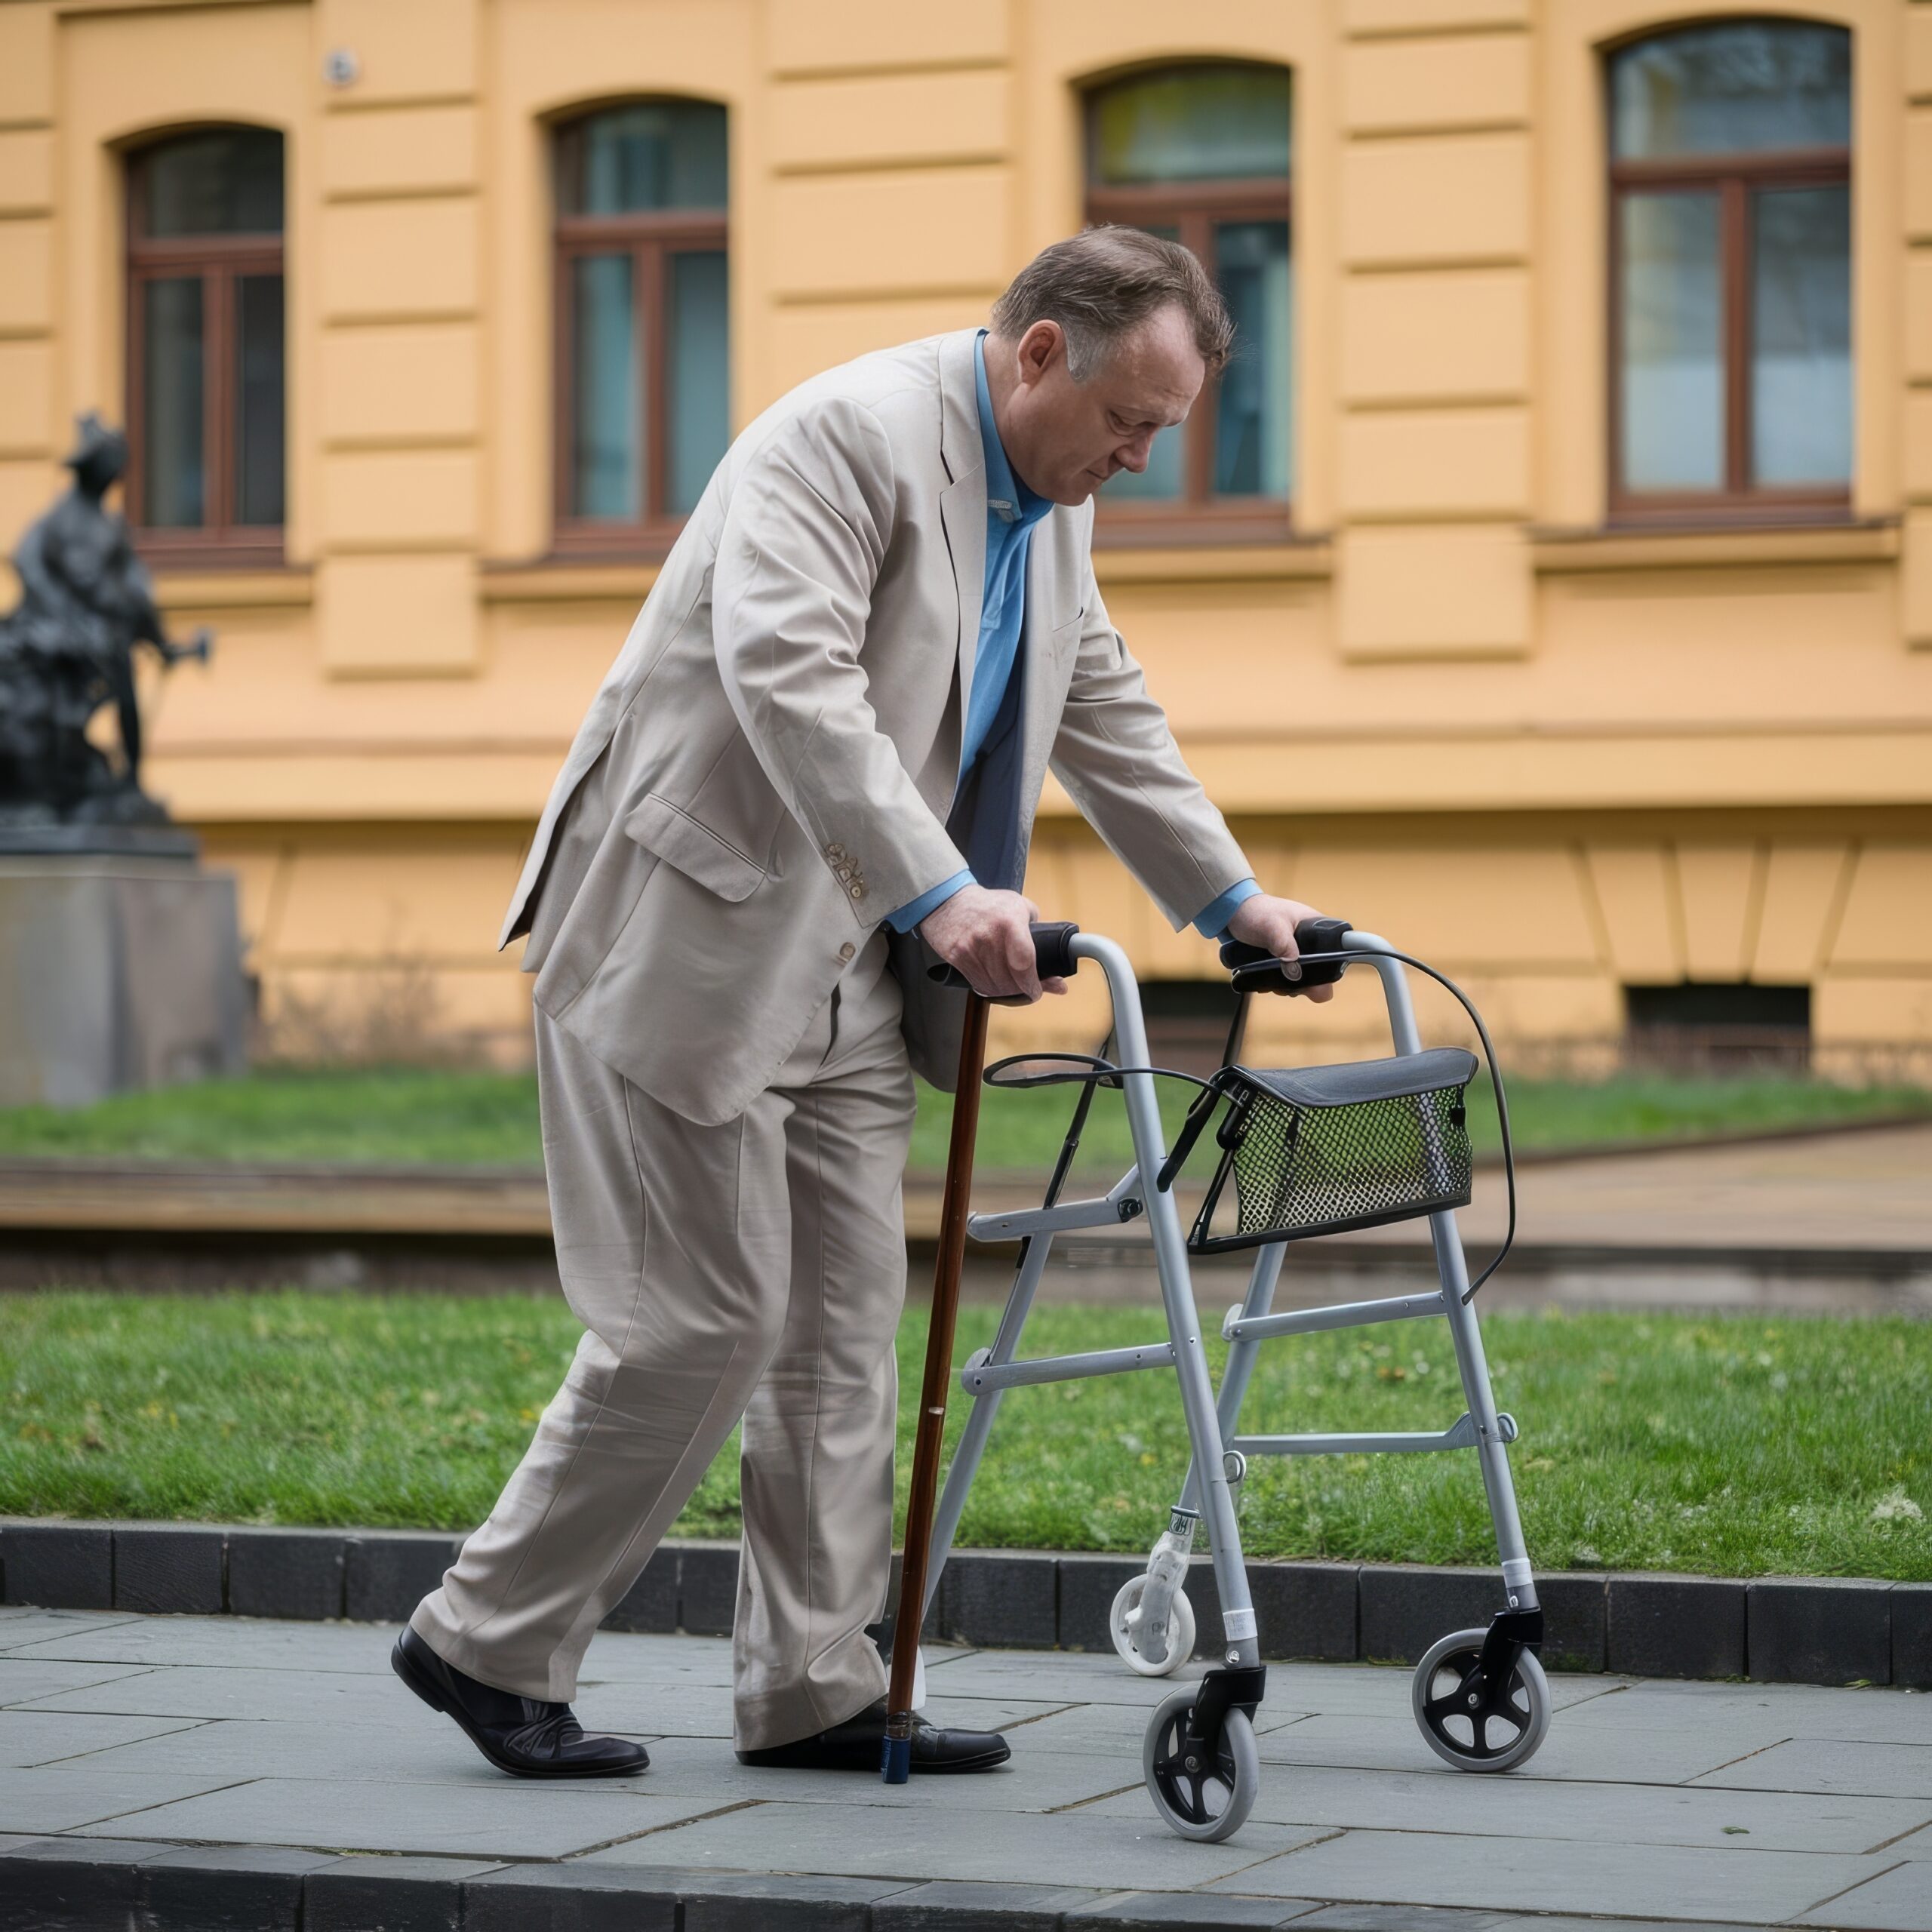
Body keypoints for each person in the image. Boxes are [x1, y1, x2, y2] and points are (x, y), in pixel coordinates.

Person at [392, 227, 1334, 1780]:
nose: (1140, 457)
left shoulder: (1050, 503)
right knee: (700, 1319)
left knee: (840, 1335)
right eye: (1128, 421)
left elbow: (1097, 694)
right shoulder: (843, 436)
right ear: (1041, 353)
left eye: (1160, 431)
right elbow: (791, 676)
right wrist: (942, 889)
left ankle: (814, 1687)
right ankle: (483, 1640)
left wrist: (1231, 899)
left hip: (857, 973)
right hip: (689, 937)